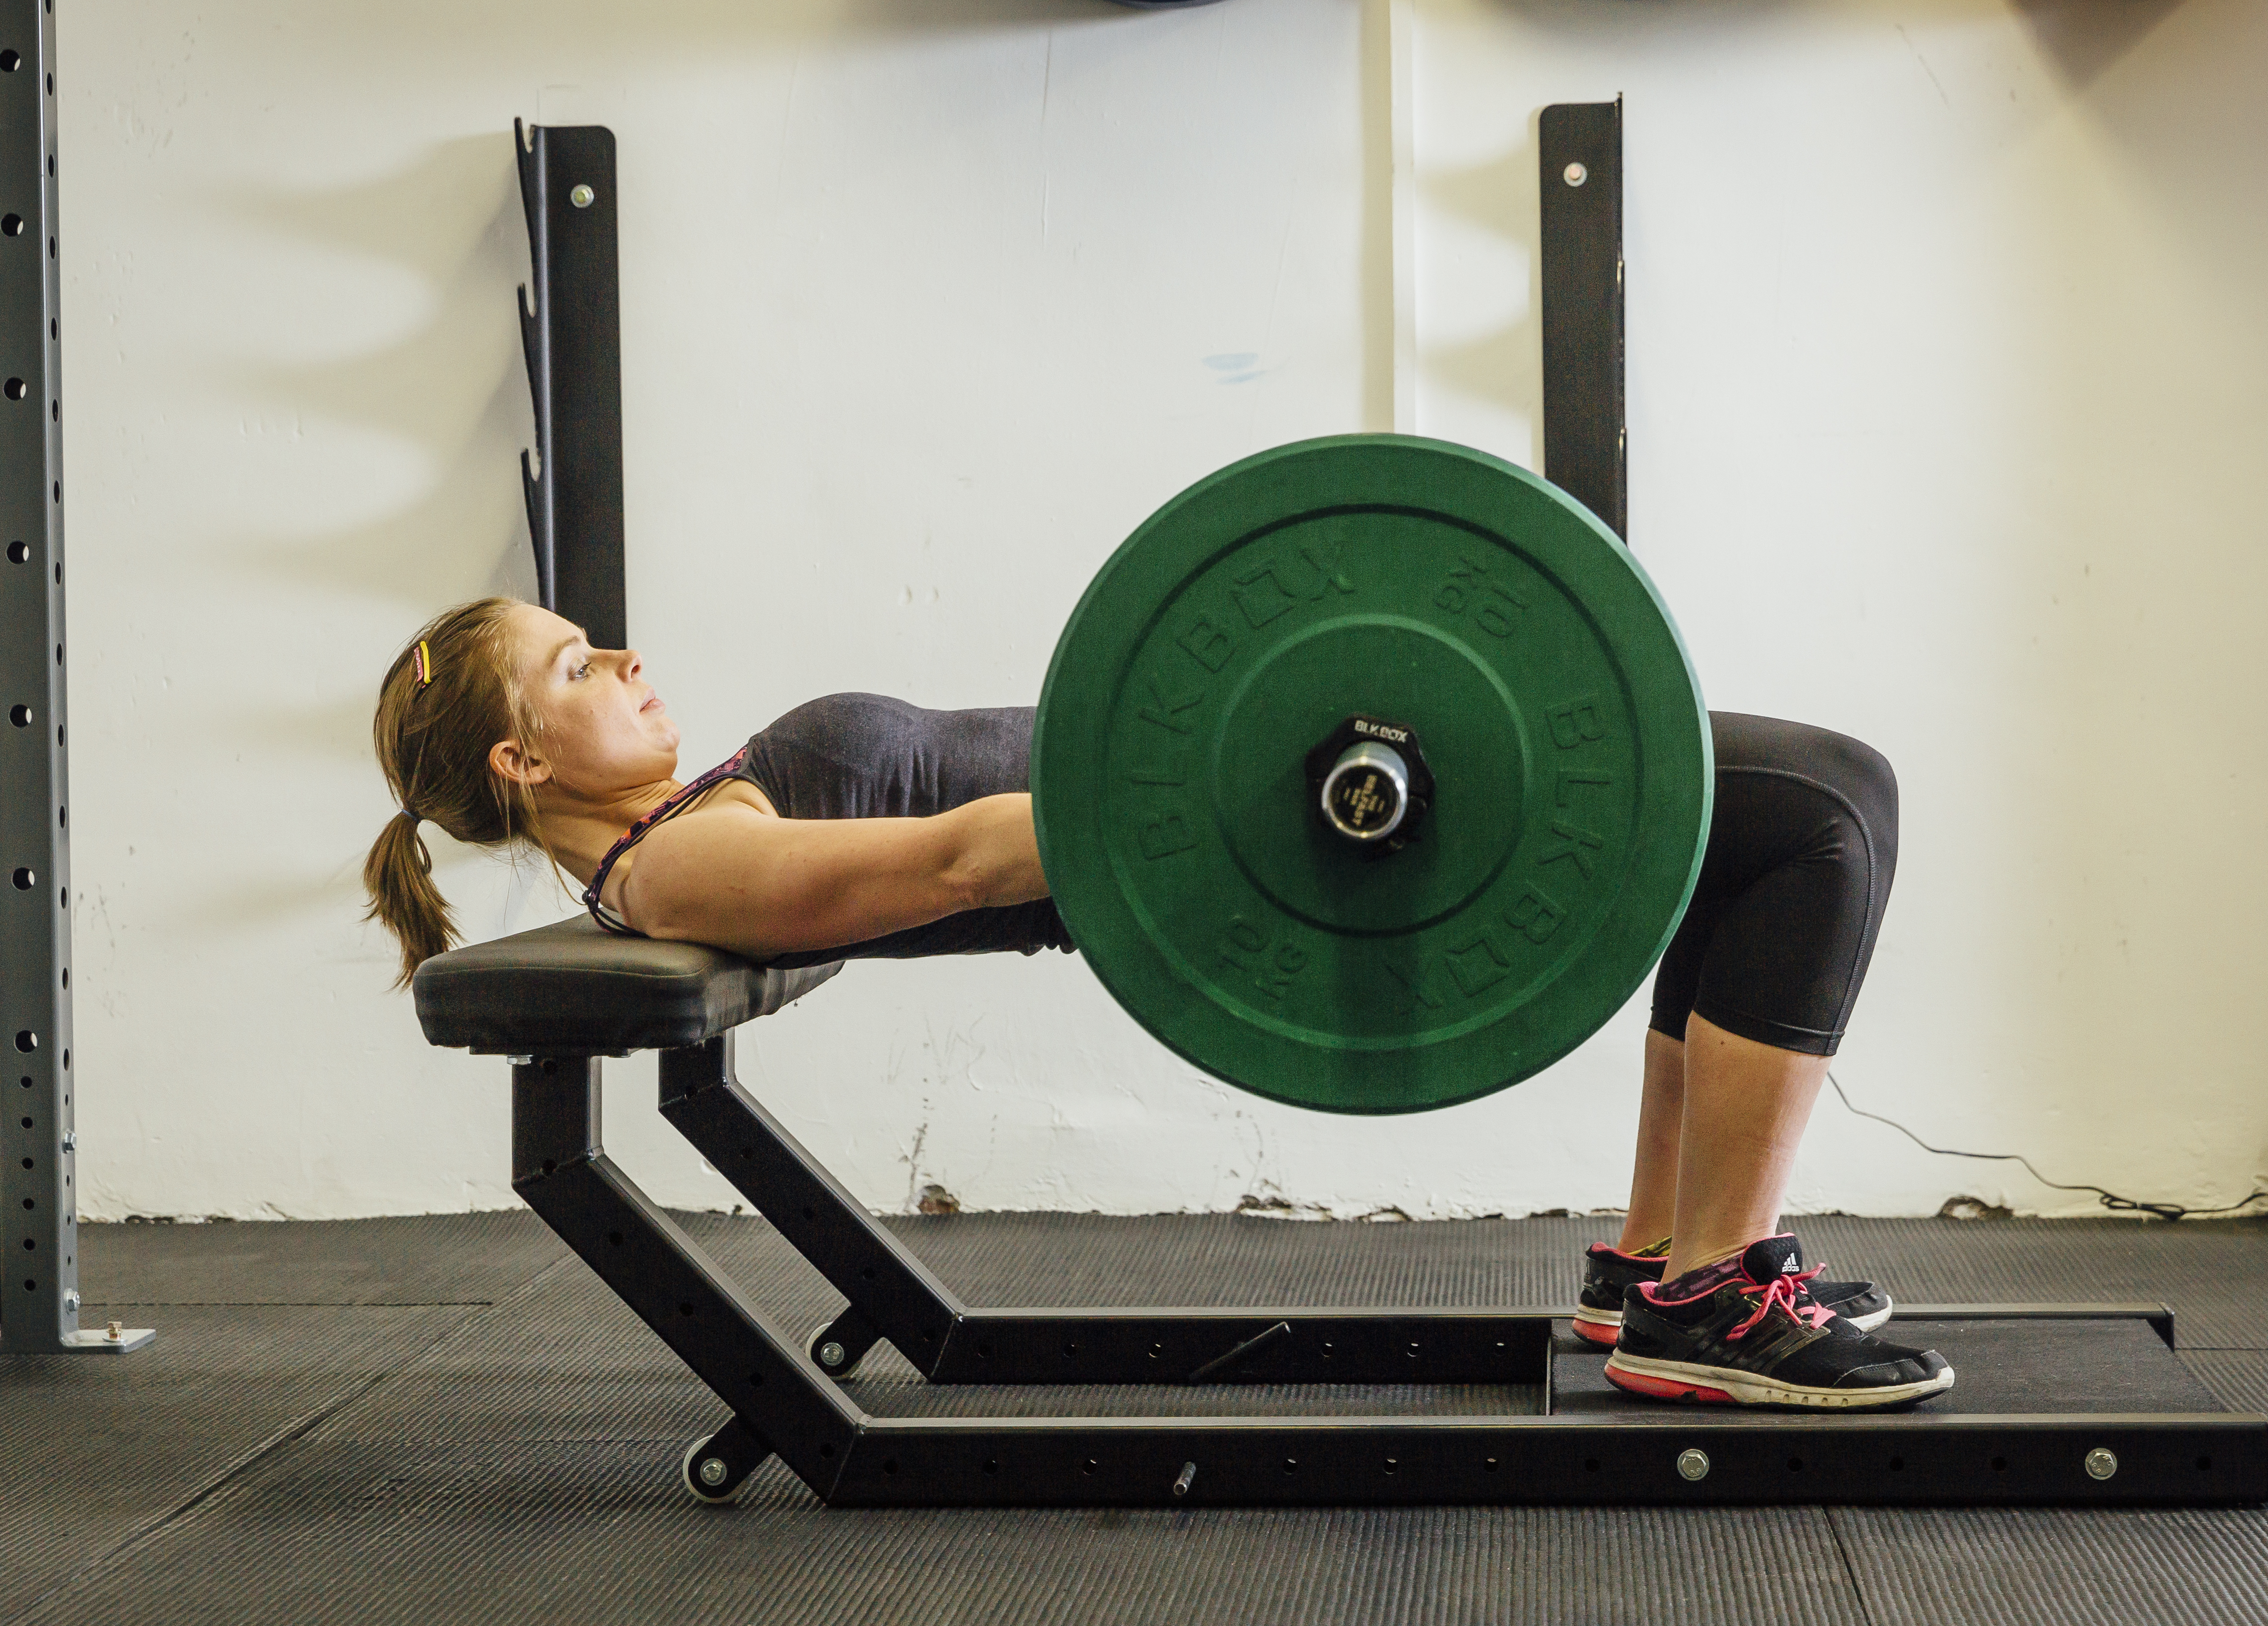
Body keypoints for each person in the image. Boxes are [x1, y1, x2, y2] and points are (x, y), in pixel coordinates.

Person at [363, 596, 1953, 1410]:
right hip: (1264, 820)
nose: (623, 655)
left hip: (1249, 778)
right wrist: (1248, 764)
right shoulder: (679, 868)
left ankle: (1672, 1270)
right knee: (1810, 823)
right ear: (521, 763)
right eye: (576, 664)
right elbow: (970, 858)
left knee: (1791, 811)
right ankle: (1706, 1301)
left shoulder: (694, 817)